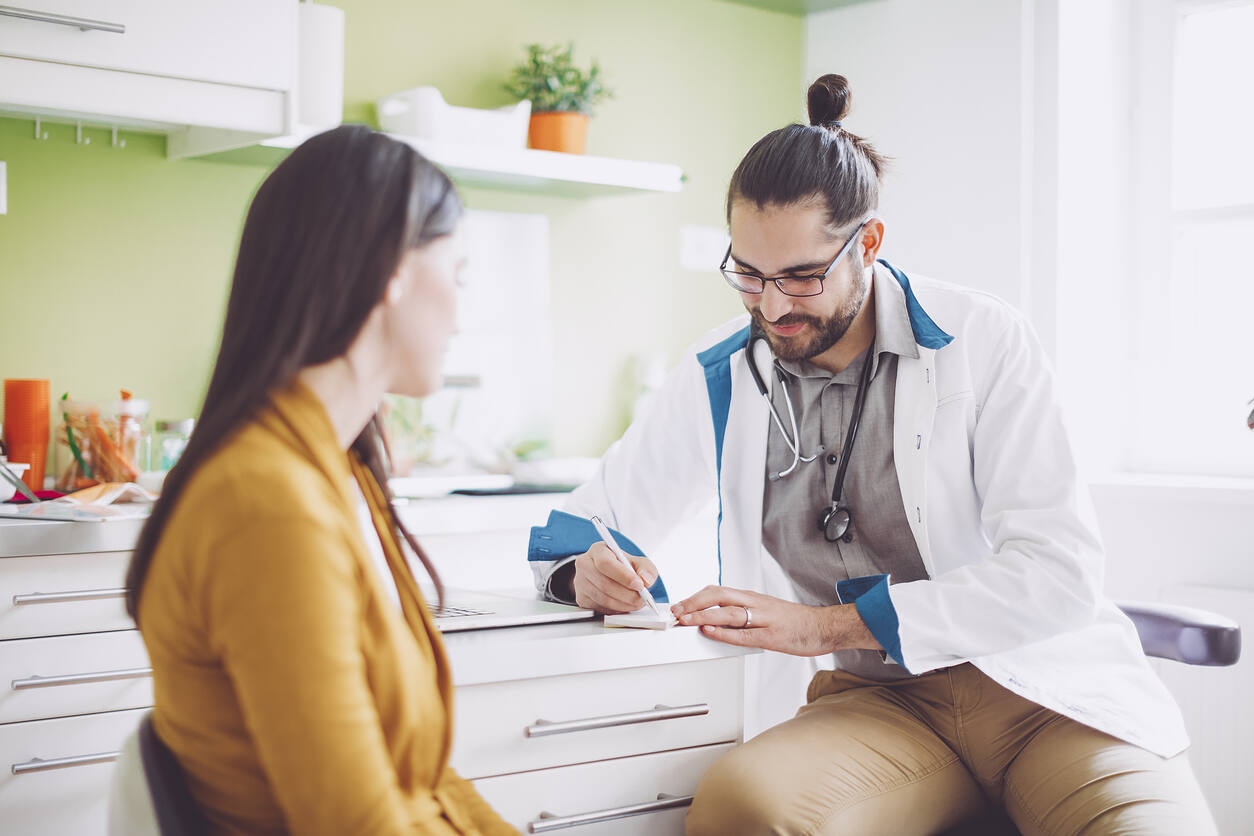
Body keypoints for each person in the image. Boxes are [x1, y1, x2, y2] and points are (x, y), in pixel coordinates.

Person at [527, 76, 1216, 834]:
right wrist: (588, 567)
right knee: (739, 812)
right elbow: (578, 525)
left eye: (801, 276)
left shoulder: (982, 340)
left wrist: (821, 628)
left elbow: (1058, 574)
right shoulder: (721, 373)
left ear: (870, 244)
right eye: (749, 276)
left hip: (1047, 694)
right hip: (886, 708)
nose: (773, 307)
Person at [124, 126, 516, 835]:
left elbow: (416, 779)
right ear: (390, 266)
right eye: (456, 275)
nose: (463, 311)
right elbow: (357, 822)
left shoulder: (335, 469)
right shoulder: (264, 505)